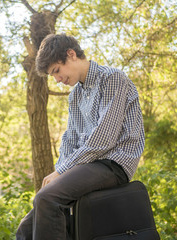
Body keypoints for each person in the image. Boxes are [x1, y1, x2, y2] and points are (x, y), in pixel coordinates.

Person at [16, 34, 145, 240]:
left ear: (71, 54)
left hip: (113, 163)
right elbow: (70, 140)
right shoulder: (75, 95)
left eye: (57, 71)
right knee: (25, 228)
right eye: (52, 76)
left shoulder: (112, 78)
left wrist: (62, 171)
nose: (57, 79)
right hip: (86, 165)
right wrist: (58, 171)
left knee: (47, 199)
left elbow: (104, 139)